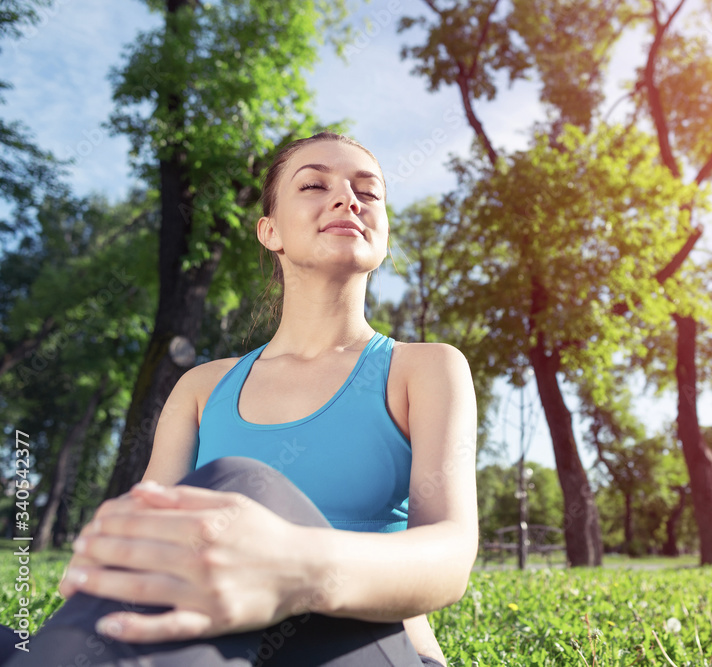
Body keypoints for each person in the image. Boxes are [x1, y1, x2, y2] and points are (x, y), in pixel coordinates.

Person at [2, 132, 478, 666]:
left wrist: (293, 567)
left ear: (383, 233)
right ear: (269, 231)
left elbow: (451, 557)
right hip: (213, 643)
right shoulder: (203, 387)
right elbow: (145, 533)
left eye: (368, 193)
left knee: (243, 483)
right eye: (315, 184)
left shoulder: (427, 368)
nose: (348, 199)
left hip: (370, 648)